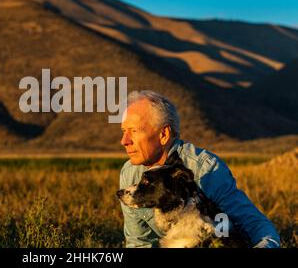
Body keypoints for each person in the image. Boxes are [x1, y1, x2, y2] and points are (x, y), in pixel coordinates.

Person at [119, 90, 280, 248]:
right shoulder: (130, 173)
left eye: (134, 131)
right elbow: (140, 242)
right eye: (124, 131)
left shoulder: (206, 169)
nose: (124, 141)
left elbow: (255, 226)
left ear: (163, 134)